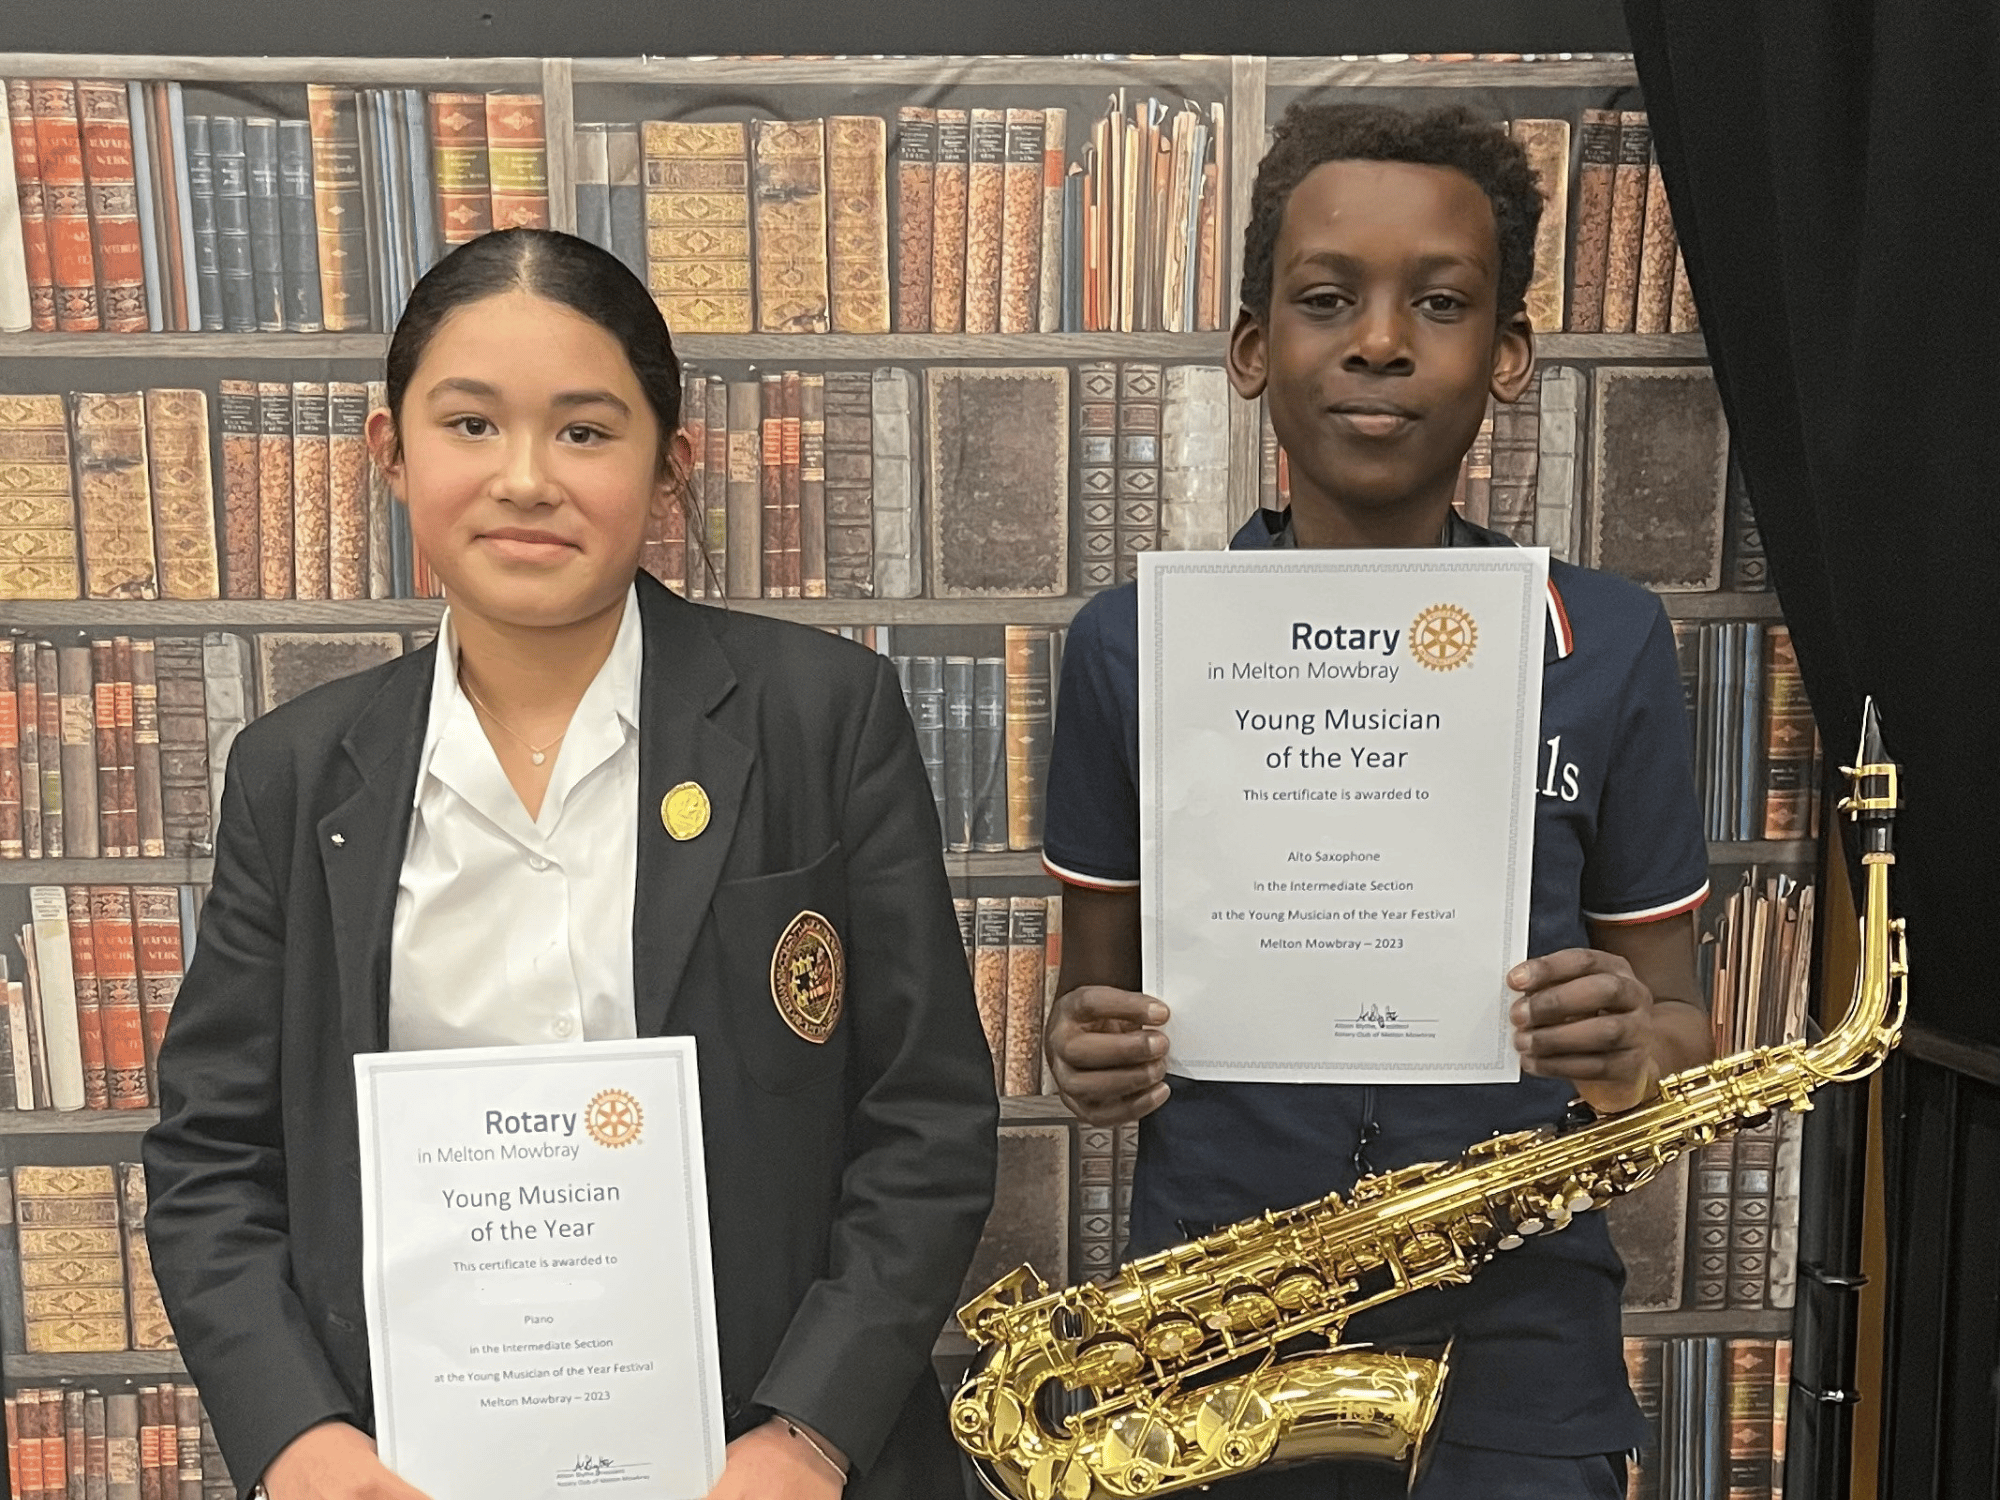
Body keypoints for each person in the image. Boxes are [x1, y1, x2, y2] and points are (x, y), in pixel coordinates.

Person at [142, 228, 997, 1500]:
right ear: (390, 455)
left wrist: (809, 1432)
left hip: (758, 1465)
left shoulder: (824, 714)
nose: (526, 479)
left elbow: (924, 1117)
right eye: (470, 425)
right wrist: (298, 1441)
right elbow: (211, 1155)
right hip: (411, 1467)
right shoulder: (295, 771)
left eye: (586, 432)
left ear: (669, 467)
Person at [1041, 103, 1713, 1500]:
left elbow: (1677, 1035)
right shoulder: (1129, 649)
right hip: (1214, 1340)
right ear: (1249, 348)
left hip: (1517, 1342)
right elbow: (1092, 1020)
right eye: (1326, 299)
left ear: (1509, 355)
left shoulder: (1612, 642)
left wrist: (1625, 1050)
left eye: (1444, 303)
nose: (1380, 341)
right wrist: (1088, 1056)